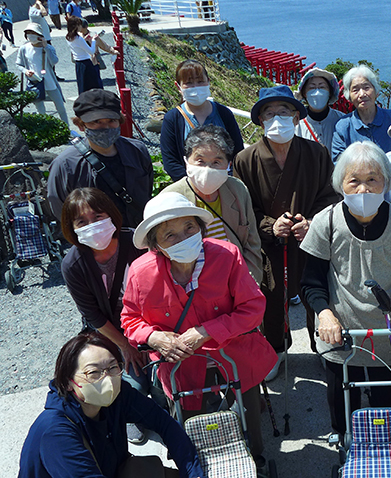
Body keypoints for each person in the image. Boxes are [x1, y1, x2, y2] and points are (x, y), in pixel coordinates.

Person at [121, 192, 276, 466]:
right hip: (181, 361)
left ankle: (256, 457)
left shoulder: (226, 255)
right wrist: (155, 337)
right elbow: (130, 319)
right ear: (155, 245)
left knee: (249, 410)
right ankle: (201, 461)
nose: (183, 238)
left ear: (201, 228)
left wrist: (205, 330)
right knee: (194, 421)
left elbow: (252, 308)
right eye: (170, 235)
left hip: (234, 351)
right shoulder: (140, 272)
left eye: (189, 228)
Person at [300, 140, 391, 433]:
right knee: (344, 411)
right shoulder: (326, 221)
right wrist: (324, 314)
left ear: (386, 181)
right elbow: (311, 281)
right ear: (340, 184)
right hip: (342, 335)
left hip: (390, 336)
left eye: (373, 180)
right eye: (354, 181)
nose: (363, 189)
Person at [234, 85, 338, 378]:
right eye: (269, 113)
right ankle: (276, 349)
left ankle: (321, 343)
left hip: (309, 240)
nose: (277, 118)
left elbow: (330, 195)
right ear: (260, 120)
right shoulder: (246, 160)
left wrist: (312, 222)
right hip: (268, 244)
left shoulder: (316, 153)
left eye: (284, 112)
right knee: (270, 296)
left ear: (296, 117)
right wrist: (269, 224)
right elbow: (243, 206)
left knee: (316, 290)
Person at [18, 332, 204, 478]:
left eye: (113, 367)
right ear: (68, 382)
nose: (107, 380)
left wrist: (193, 472)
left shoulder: (120, 394)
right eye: (93, 372)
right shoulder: (56, 432)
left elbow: (164, 423)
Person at [60, 187, 157, 444]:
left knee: (158, 376)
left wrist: (148, 337)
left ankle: (162, 409)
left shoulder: (137, 241)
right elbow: (91, 313)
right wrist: (125, 346)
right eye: (82, 222)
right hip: (109, 333)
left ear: (112, 215)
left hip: (150, 323)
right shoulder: (73, 264)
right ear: (72, 228)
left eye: (98, 217)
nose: (92, 225)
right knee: (127, 383)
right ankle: (125, 416)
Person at [162, 125, 262, 284]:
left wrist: (249, 282)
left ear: (228, 164)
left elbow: (251, 242)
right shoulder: (170, 198)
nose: (207, 169)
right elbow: (160, 254)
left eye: (216, 161)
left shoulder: (237, 190)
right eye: (200, 161)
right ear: (187, 161)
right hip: (191, 286)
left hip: (236, 280)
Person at [48, 89, 153, 229]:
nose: (105, 128)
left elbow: (147, 190)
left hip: (138, 234)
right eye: (96, 122)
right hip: (97, 241)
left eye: (111, 121)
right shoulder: (65, 165)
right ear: (81, 125)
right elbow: (61, 209)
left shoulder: (137, 151)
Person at [161, 59, 244, 181]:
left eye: (200, 82)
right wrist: (194, 185)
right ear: (178, 86)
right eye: (189, 83)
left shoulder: (224, 113)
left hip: (225, 182)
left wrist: (227, 179)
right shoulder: (172, 119)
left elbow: (238, 152)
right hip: (189, 186)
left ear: (208, 82)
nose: (195, 88)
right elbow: (170, 161)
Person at [331, 65, 391, 162]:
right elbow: (339, 164)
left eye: (366, 87)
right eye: (355, 90)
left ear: (376, 91)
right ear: (348, 96)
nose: (362, 94)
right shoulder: (343, 127)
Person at [15, 22, 68, 125]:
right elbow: (18, 64)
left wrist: (46, 47)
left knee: (60, 106)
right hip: (35, 81)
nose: (30, 35)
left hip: (49, 81)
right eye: (28, 33)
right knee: (40, 108)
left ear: (40, 35)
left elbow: (54, 61)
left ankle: (66, 127)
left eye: (33, 32)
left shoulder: (48, 48)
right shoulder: (24, 48)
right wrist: (26, 71)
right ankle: (44, 128)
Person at [293, 67, 344, 150]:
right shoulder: (295, 122)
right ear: (304, 93)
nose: (317, 92)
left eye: (322, 87)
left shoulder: (342, 120)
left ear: (330, 93)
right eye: (312, 88)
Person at [65, 15, 102, 94]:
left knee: (82, 86)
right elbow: (91, 51)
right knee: (92, 86)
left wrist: (84, 40)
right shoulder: (78, 38)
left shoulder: (68, 37)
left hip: (78, 64)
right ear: (76, 26)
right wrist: (93, 40)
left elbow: (77, 46)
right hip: (86, 63)